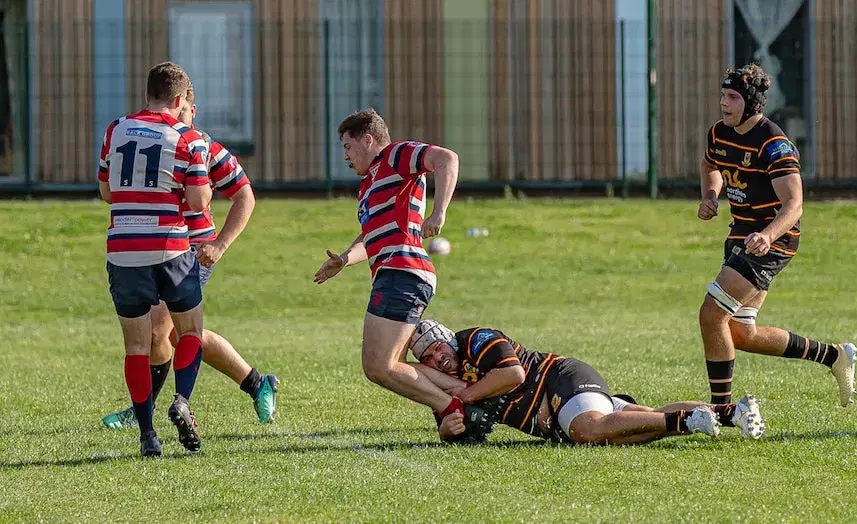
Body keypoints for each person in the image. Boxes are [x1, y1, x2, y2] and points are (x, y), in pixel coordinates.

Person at [101, 87, 278, 431]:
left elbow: (244, 195)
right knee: (173, 336)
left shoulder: (204, 147)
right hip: (159, 248)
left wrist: (220, 244)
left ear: (189, 109)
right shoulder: (149, 140)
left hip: (191, 251)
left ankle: (143, 412)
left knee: (160, 330)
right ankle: (257, 383)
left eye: (182, 111)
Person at [698, 63, 857, 407]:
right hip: (741, 235)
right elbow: (710, 164)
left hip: (773, 241)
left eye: (732, 97)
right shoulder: (719, 133)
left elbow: (794, 204)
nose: (723, 103)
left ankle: (722, 411)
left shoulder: (773, 143)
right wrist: (710, 194)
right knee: (742, 333)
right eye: (722, 95)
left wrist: (768, 236)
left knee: (712, 314)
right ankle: (834, 356)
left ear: (752, 103)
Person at [313, 109, 466, 426]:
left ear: (367, 140)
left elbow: (447, 158)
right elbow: (370, 236)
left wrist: (439, 212)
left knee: (380, 366)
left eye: (348, 146)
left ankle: (454, 407)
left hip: (404, 271)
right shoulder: (367, 186)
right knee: (384, 365)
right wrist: (344, 259)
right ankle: (462, 397)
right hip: (392, 274)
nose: (345, 156)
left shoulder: (396, 155)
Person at [408, 320, 765, 445]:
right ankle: (730, 412)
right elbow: (449, 417)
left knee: (588, 429)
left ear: (447, 338)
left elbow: (513, 375)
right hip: (558, 414)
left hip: (559, 378)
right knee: (632, 428)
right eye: (428, 358)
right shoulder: (443, 381)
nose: (437, 359)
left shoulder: (476, 339)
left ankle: (687, 421)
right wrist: (447, 429)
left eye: (437, 348)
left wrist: (465, 396)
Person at [98, 61, 210, 457]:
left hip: (123, 250)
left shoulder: (115, 129)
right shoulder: (188, 138)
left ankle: (147, 435)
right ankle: (181, 401)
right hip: (170, 249)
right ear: (180, 100)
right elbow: (197, 201)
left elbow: (107, 193)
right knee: (190, 331)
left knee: (136, 345)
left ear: (147, 94)